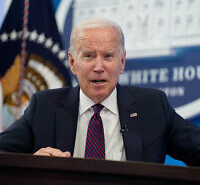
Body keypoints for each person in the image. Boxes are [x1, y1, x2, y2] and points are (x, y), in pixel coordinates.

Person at [0, 18, 200, 166]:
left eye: (108, 56)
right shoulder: (44, 107)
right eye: (88, 55)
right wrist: (33, 164)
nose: (99, 66)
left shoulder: (152, 106)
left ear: (121, 62)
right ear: (72, 62)